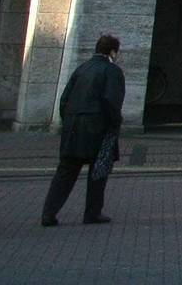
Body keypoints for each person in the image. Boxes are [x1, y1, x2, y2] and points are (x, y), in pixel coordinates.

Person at [42, 33, 124, 227]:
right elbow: (111, 101)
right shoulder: (112, 71)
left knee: (66, 171)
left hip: (73, 126)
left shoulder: (82, 68)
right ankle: (92, 213)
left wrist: (69, 120)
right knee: (98, 171)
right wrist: (115, 123)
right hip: (99, 127)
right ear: (113, 51)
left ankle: (49, 213)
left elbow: (64, 98)